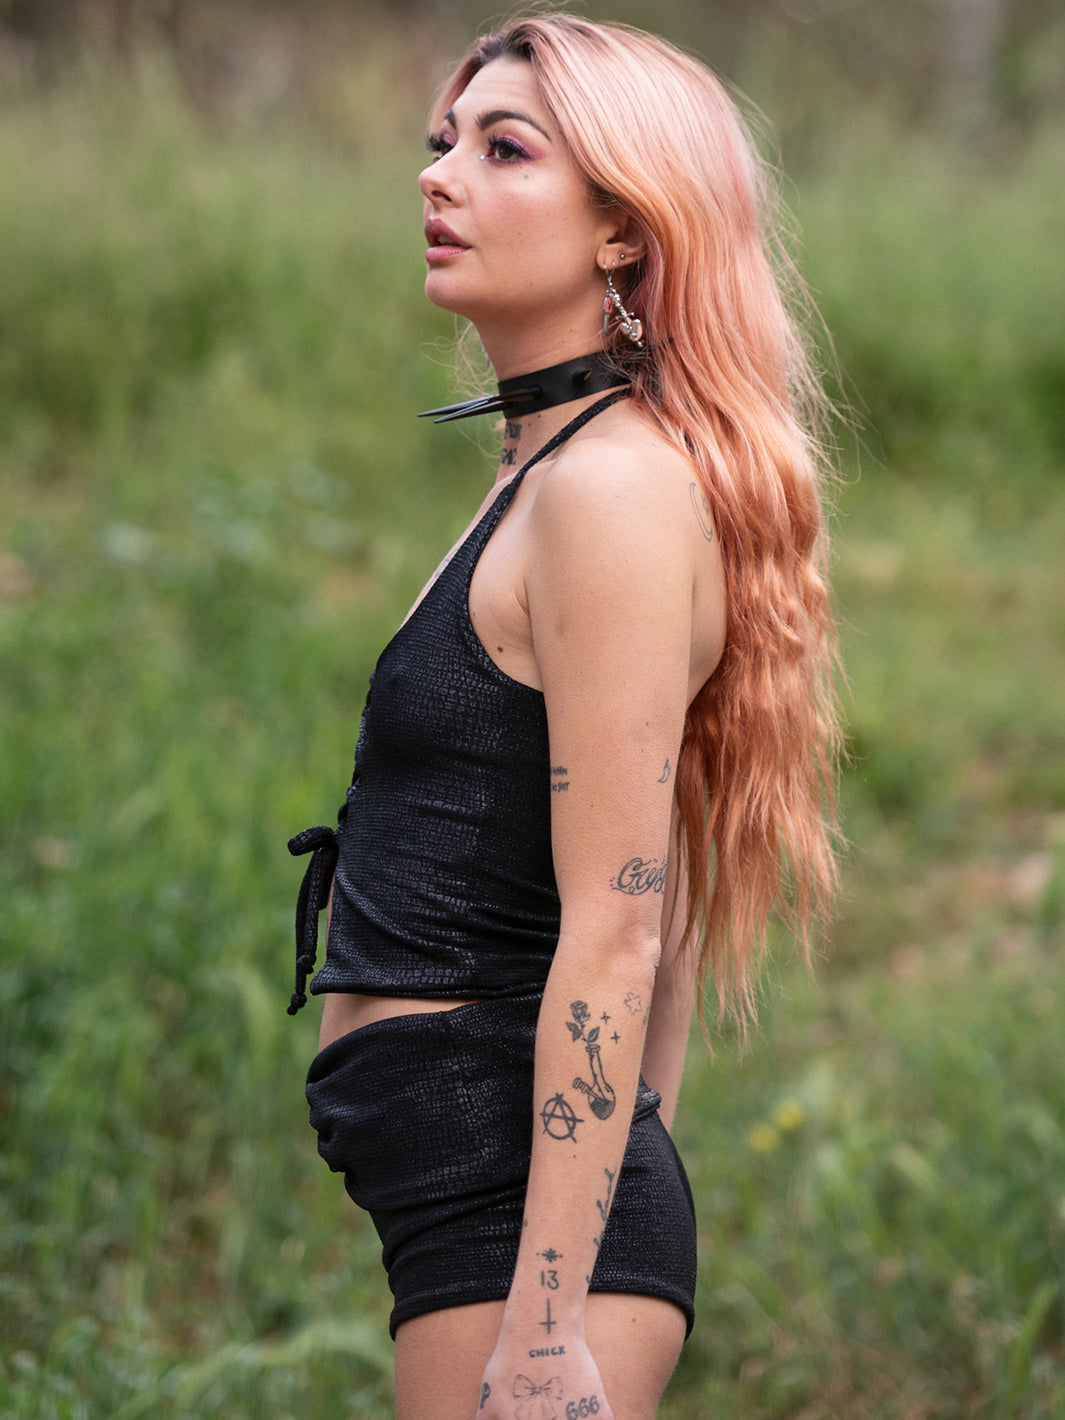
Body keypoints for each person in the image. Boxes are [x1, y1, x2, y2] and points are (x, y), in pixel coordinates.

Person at [287, 14, 841, 1420]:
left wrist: (547, 1328)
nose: (438, 176)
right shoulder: (549, 469)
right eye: (442, 142)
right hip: (469, 1196)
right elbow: (654, 891)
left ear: (621, 229)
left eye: (504, 148)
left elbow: (621, 923)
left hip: (510, 1222)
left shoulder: (607, 492)